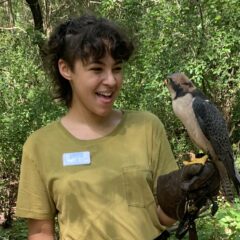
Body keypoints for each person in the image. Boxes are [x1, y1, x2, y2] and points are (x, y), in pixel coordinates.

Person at [15, 15, 220, 240]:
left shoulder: (147, 127)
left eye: (117, 68)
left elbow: (162, 218)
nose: (111, 80)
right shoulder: (39, 146)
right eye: (96, 69)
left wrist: (184, 198)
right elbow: (40, 232)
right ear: (66, 69)